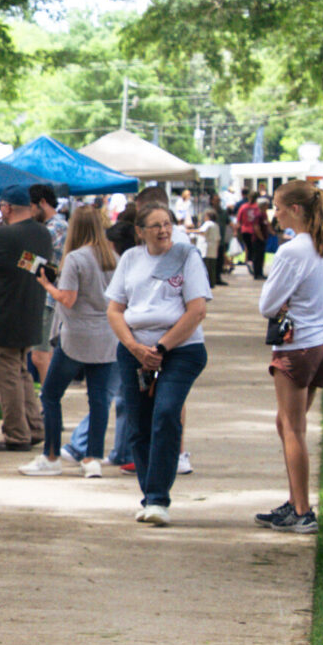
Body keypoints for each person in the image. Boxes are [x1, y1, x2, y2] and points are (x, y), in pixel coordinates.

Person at [106, 205, 212, 526]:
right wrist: (135, 347)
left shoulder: (186, 257)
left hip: (180, 350)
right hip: (136, 351)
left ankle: (157, 499)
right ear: (140, 231)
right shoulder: (130, 259)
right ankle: (151, 494)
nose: (163, 230)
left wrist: (161, 348)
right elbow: (115, 310)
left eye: (167, 224)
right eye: (155, 226)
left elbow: (196, 312)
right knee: (138, 425)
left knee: (165, 414)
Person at [255, 180, 323, 534]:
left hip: (297, 347)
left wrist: (284, 302)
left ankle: (303, 510)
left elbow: (267, 305)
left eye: (277, 206)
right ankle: (295, 503)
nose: (273, 213)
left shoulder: (292, 251)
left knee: (293, 428)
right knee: (287, 424)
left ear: (294, 210)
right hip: (322, 343)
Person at [22, 207, 119, 478]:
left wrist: (46, 284)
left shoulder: (75, 258)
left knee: (51, 394)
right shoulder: (115, 257)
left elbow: (68, 299)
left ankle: (51, 455)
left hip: (76, 335)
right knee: (99, 399)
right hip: (107, 336)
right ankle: (92, 458)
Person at [0, 184, 53, 452]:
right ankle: (34, 427)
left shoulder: (1, 235)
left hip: (1, 317)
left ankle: (16, 434)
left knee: (6, 378)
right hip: (30, 314)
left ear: (7, 207)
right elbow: (30, 265)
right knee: (22, 374)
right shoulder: (43, 235)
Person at [28, 183, 65, 385]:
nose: (30, 213)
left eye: (31, 207)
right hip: (47, 297)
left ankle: (48, 405)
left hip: (48, 298)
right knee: (40, 356)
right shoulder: (53, 226)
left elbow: (30, 260)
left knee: (41, 357)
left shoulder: (54, 228)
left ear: (42, 203)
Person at [237, 191, 271, 280]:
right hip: (255, 233)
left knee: (249, 249)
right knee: (257, 252)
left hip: (245, 230)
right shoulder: (258, 209)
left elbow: (239, 219)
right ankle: (255, 268)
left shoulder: (243, 207)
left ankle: (249, 262)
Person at [192, 209, 224, 287]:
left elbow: (202, 232)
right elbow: (218, 239)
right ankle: (212, 283)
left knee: (205, 268)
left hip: (205, 249)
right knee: (212, 268)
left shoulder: (207, 224)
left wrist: (190, 231)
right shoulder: (216, 225)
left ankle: (205, 283)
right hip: (213, 250)